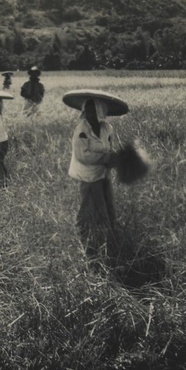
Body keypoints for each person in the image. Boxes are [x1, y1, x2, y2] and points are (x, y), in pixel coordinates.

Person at [65, 93, 126, 256]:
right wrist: (107, 158)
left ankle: (108, 236)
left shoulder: (107, 128)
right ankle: (85, 239)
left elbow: (109, 146)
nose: (90, 114)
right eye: (88, 110)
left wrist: (115, 158)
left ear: (101, 111)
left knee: (106, 204)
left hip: (103, 174)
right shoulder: (82, 130)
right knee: (88, 207)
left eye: (94, 110)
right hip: (88, 175)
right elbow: (82, 155)